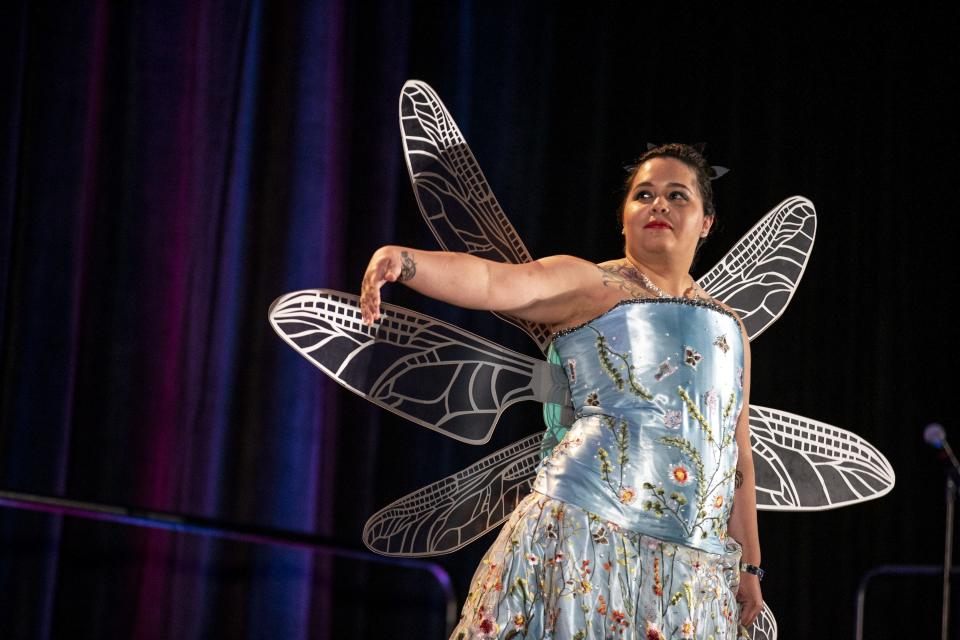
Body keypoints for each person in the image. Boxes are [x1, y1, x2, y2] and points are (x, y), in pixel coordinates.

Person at [360, 144, 762, 639]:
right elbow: (494, 281)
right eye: (643, 195)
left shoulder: (730, 328)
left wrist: (750, 567)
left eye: (676, 196)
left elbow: (737, 456)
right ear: (623, 219)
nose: (658, 205)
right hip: (584, 535)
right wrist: (404, 261)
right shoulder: (592, 284)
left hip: (688, 569)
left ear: (706, 222)